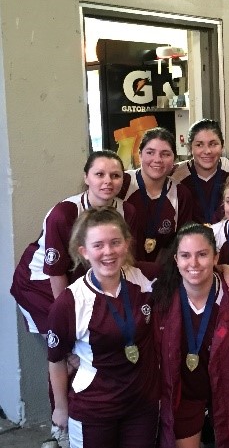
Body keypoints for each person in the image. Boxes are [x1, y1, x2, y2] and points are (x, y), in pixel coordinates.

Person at [10, 150, 139, 447]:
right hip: (42, 286)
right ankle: (61, 427)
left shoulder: (128, 211)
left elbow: (125, 262)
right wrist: (67, 319)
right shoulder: (64, 213)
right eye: (99, 174)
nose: (108, 181)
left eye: (115, 175)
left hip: (81, 282)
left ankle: (90, 419)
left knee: (90, 347)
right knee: (66, 350)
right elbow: (56, 272)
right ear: (86, 178)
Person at [47, 207, 160, 448]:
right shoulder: (70, 302)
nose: (108, 252)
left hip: (142, 406)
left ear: (126, 244)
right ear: (84, 251)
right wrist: (60, 408)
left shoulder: (146, 277)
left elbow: (191, 270)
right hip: (95, 409)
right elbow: (56, 360)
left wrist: (224, 268)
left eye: (115, 242)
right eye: (98, 245)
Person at [152, 223, 229, 448]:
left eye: (202, 254)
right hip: (185, 398)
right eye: (185, 256)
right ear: (176, 259)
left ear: (216, 257)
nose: (193, 263)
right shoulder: (162, 298)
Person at [118, 127, 193, 262]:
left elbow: (183, 242)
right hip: (123, 267)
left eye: (165, 154)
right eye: (150, 152)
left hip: (163, 270)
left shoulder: (181, 194)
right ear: (140, 155)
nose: (157, 159)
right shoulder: (123, 183)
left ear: (174, 159)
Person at [171, 119, 229, 225]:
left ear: (222, 146)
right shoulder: (176, 176)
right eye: (199, 145)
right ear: (189, 148)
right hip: (189, 234)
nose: (207, 151)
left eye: (213, 144)